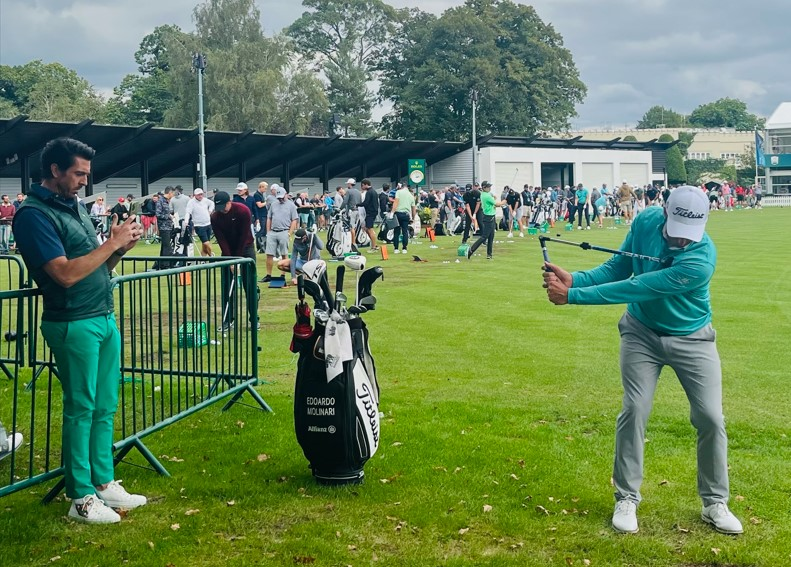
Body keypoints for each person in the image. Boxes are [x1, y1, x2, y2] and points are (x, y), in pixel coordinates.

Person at [542, 186, 743, 536]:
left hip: (693, 338)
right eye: (677, 231)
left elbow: (639, 287)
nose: (683, 240)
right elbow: (620, 267)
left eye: (690, 233)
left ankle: (714, 502)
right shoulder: (647, 220)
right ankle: (626, 498)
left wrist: (572, 295)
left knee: (711, 417)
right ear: (665, 213)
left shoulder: (700, 260)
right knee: (635, 409)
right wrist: (576, 279)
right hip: (641, 333)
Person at [12, 137, 146, 524]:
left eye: (87, 174)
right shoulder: (33, 214)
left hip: (102, 316)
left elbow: (95, 266)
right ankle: (80, 496)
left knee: (104, 406)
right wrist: (110, 243)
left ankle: (103, 482)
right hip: (72, 321)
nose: (85, 181)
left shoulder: (75, 208)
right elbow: (65, 274)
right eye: (78, 173)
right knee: (81, 409)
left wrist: (118, 250)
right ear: (54, 170)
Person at [209, 191, 259, 331]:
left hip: (246, 248)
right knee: (227, 286)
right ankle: (228, 319)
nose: (222, 211)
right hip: (228, 251)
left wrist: (237, 259)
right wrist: (230, 259)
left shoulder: (243, 211)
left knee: (249, 285)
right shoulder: (215, 217)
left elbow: (243, 236)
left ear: (229, 202)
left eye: (223, 207)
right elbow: (221, 240)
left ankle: (254, 319)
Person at [260, 184, 298, 282]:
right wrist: (268, 231)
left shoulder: (291, 205)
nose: (280, 199)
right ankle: (268, 275)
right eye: (278, 198)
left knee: (284, 254)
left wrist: (289, 233)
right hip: (273, 232)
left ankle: (282, 275)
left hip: (284, 231)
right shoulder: (273, 204)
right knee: (269, 254)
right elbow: (269, 218)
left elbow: (294, 220)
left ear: (286, 194)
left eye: (281, 197)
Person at [466, 181, 505, 260]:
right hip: (489, 217)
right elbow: (497, 204)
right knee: (484, 236)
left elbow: (493, 203)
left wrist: (494, 199)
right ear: (484, 188)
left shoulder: (485, 194)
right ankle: (471, 250)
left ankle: (489, 255)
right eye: (488, 187)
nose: (490, 188)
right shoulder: (486, 196)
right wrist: (505, 200)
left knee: (491, 236)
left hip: (491, 216)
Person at [183, 188, 215, 256]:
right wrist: (186, 221)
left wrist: (210, 211)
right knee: (206, 243)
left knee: (204, 244)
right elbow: (188, 212)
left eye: (201, 194)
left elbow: (212, 204)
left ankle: (203, 259)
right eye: (198, 195)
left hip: (208, 224)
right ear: (195, 195)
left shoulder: (205, 200)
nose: (200, 196)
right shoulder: (191, 202)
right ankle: (211, 256)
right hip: (199, 225)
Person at [389, 184, 415, 254]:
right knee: (405, 232)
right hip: (406, 214)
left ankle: (396, 248)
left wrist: (392, 212)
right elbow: (413, 208)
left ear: (402, 187)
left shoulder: (398, 192)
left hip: (398, 214)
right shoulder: (411, 195)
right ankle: (404, 248)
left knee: (396, 232)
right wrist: (413, 218)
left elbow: (396, 202)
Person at [154, 187, 175, 269]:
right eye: (172, 193)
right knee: (167, 246)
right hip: (163, 227)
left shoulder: (167, 201)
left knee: (164, 246)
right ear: (169, 193)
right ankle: (166, 264)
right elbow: (158, 214)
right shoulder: (160, 201)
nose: (173, 195)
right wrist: (168, 216)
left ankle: (161, 263)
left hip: (168, 226)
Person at [361, 179, 380, 251]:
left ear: (366, 184)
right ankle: (374, 244)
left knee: (370, 229)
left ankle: (373, 247)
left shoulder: (369, 192)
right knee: (367, 229)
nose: (362, 187)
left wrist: (357, 205)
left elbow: (366, 203)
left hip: (370, 213)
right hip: (373, 212)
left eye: (362, 185)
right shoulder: (374, 191)